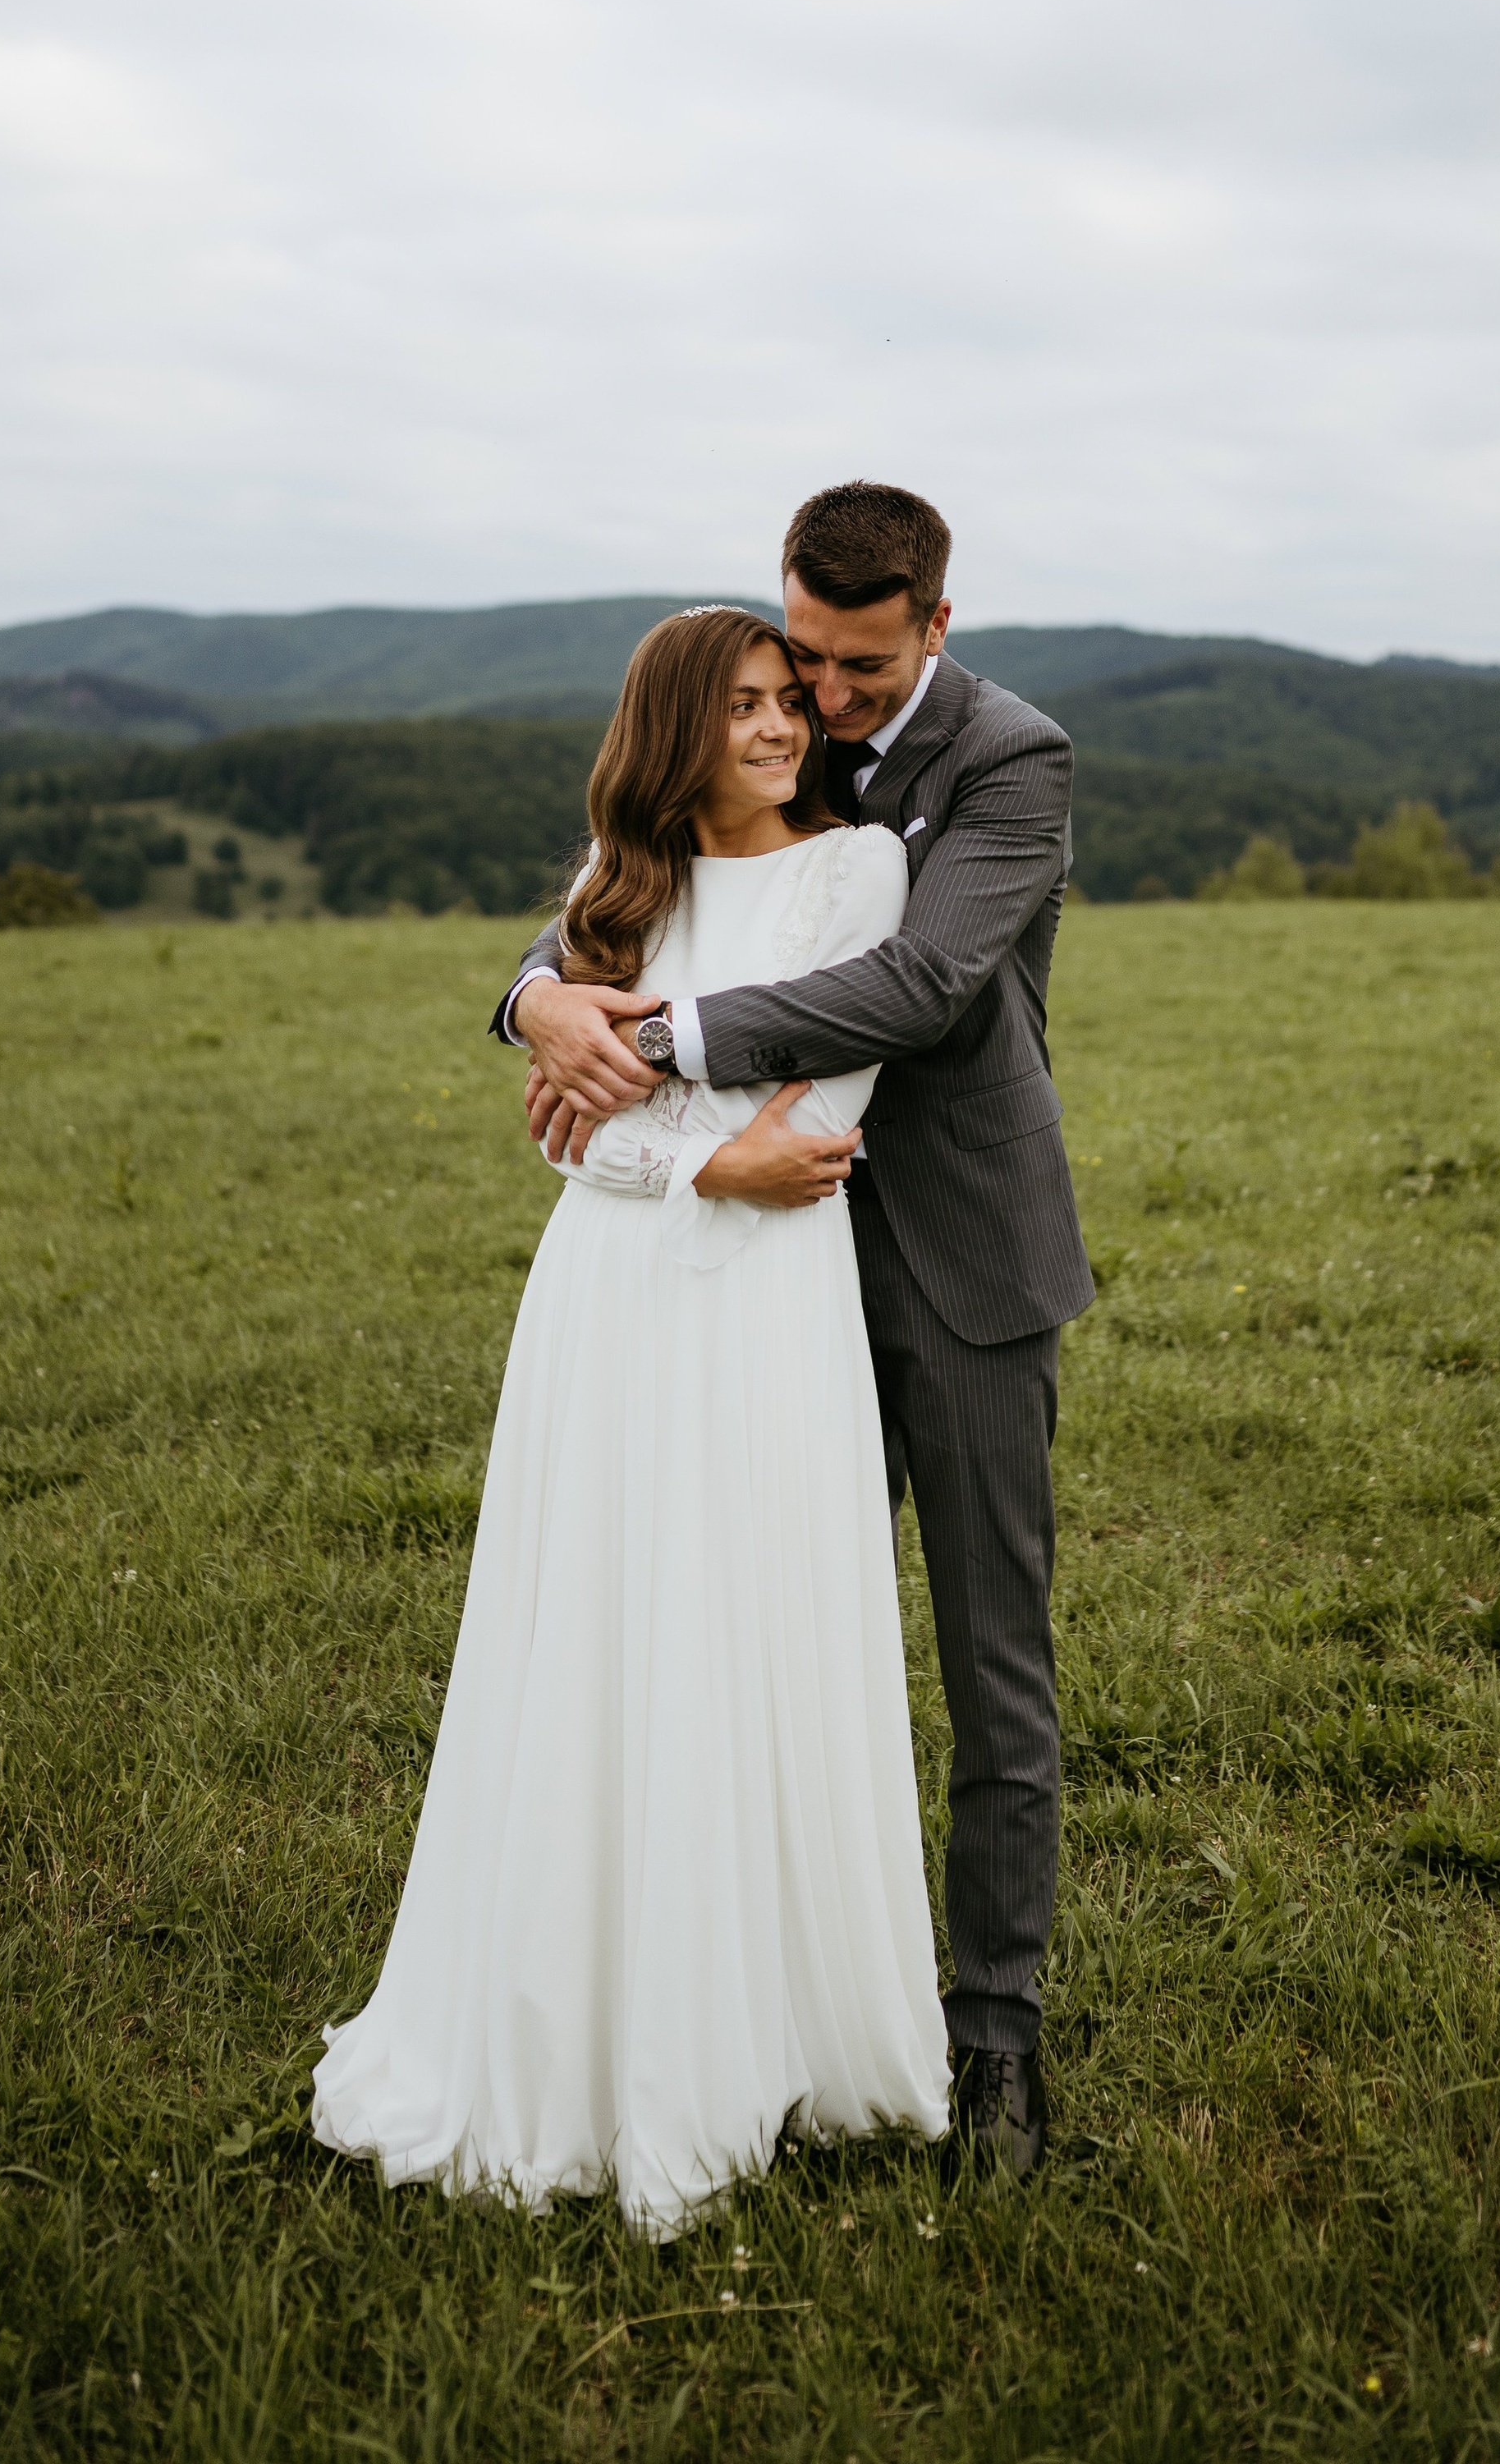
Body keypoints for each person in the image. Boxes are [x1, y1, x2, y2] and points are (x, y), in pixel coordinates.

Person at [312, 606, 950, 2232]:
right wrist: (674, 1146)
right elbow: (564, 1136)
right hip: (604, 1304)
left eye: (781, 698)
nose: (776, 724)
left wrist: (678, 1131)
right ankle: (566, 2022)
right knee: (595, 1629)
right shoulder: (620, 879)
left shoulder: (855, 872)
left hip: (765, 1304)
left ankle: (777, 2027)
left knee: (750, 1623)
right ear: (676, 725)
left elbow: (816, 1121)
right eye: (738, 704)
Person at [508, 483, 1094, 2179]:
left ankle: (992, 2047)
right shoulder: (782, 720)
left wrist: (651, 1041)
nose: (819, 702)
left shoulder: (1010, 761)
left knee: (994, 1665)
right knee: (750, 1639)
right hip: (765, 1281)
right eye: (801, 662)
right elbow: (639, 879)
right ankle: (743, 2006)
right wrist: (535, 996)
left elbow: (916, 990)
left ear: (932, 624)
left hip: (962, 1253)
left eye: (851, 668)